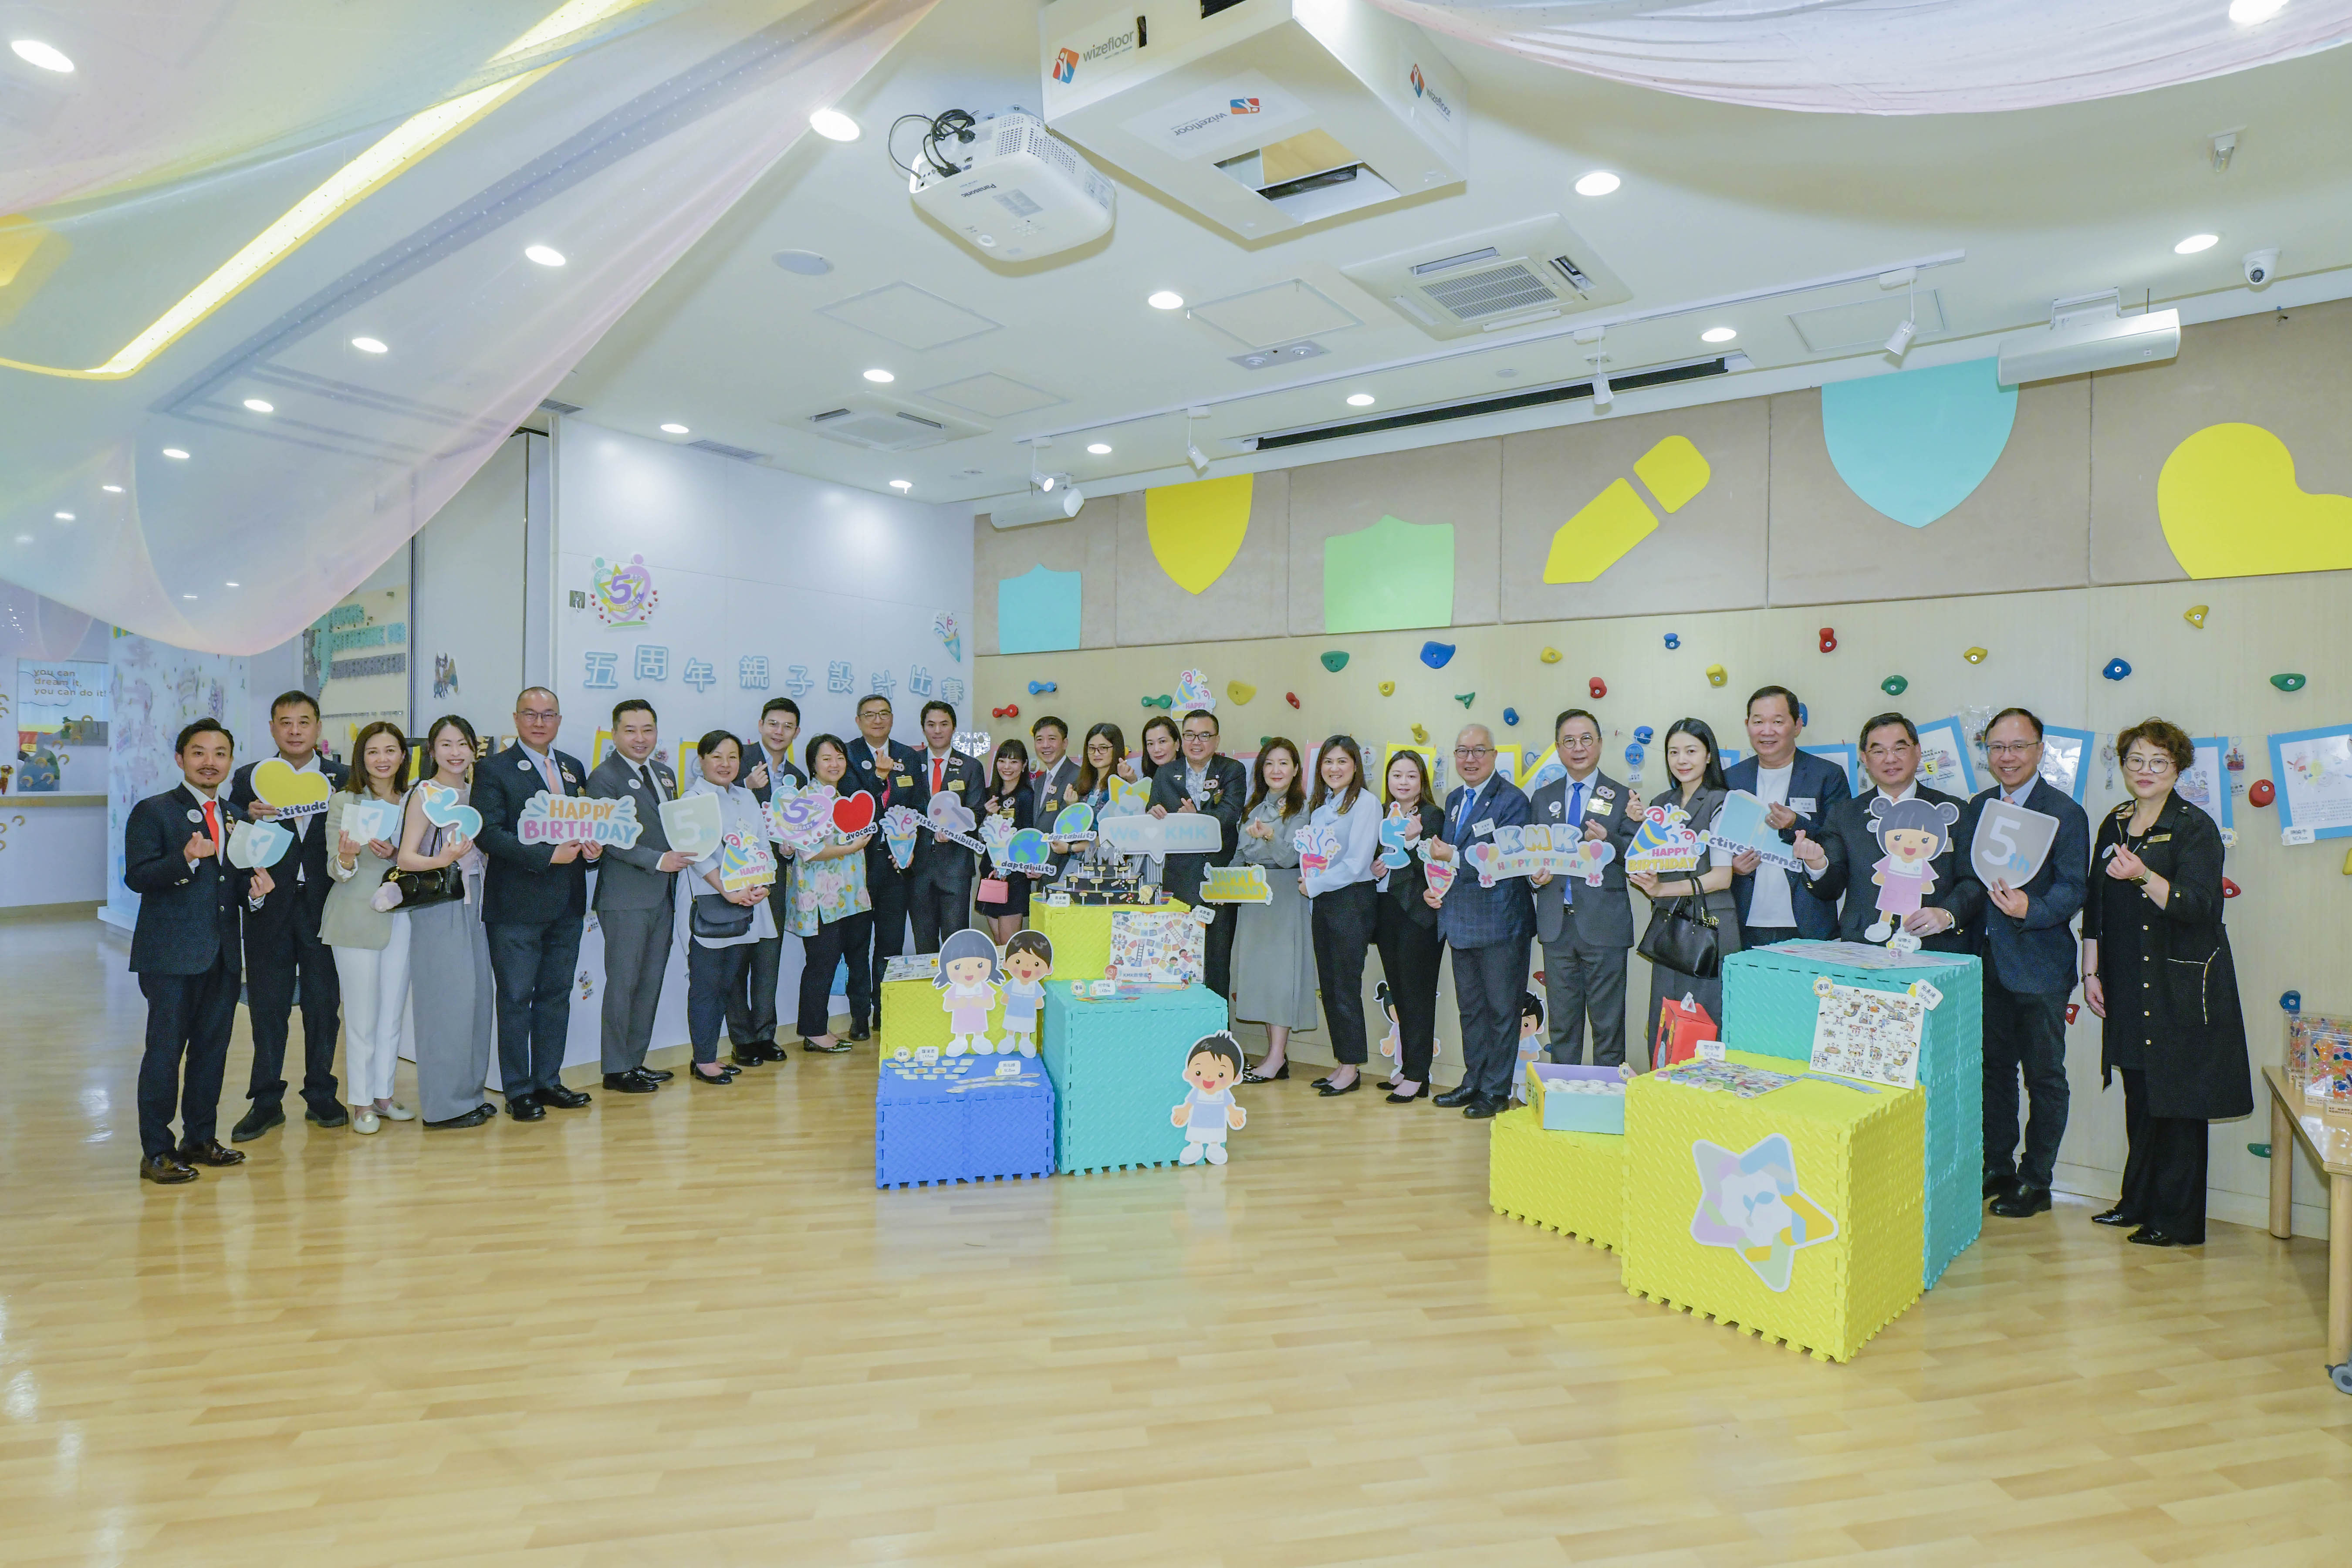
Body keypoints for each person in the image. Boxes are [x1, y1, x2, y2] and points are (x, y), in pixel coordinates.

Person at [2081, 718, 2251, 1247]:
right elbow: (2095, 902)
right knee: (2140, 1094)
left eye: (2158, 761)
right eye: (2135, 760)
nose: (2145, 770)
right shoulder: (2116, 820)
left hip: (2179, 982)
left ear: (2178, 769)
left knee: (2178, 1101)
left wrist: (2143, 875)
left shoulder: (2195, 826)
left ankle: (2177, 1221)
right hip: (2127, 978)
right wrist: (2090, 971)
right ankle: (2137, 1202)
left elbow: (2200, 906)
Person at [125, 718, 274, 1183]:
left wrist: (256, 895)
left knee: (212, 1052)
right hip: (170, 956)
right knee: (165, 1053)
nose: (210, 762)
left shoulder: (237, 816)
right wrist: (185, 859)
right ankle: (156, 1151)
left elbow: (235, 884)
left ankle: (200, 1139)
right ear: (180, 759)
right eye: (199, 753)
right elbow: (137, 877)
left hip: (223, 956)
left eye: (220, 754)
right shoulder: (154, 811)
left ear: (230, 761)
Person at [1957, 707, 2091, 1218]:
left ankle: (2037, 1181)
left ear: (2040, 750)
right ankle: (1998, 1167)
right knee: (1993, 1070)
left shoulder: (2065, 812)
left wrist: (2030, 909)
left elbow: (2074, 888)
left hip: (2039, 966)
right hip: (1985, 962)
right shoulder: (1979, 807)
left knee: (2044, 1077)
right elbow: (1969, 880)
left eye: (2018, 746)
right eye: (1997, 747)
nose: (2007, 757)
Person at [473, 687, 600, 1121]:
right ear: (516, 719)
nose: (540, 722)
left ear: (559, 720)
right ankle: (518, 1090)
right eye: (531, 714)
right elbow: (489, 834)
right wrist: (547, 856)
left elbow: (581, 826)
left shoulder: (573, 768)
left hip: (567, 903)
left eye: (549, 715)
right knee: (515, 999)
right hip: (515, 907)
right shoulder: (493, 769)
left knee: (556, 995)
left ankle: (548, 1080)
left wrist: (592, 849)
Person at [226, 690, 348, 1141]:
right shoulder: (250, 778)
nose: (295, 731)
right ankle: (265, 1101)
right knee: (267, 1007)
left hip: (325, 906)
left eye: (304, 722)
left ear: (318, 727)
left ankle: (321, 1093)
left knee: (323, 1005)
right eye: (285, 722)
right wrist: (247, 814)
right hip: (268, 907)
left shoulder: (342, 778)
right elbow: (233, 837)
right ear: (273, 728)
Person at [1794, 712, 1980, 952]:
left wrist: (1947, 914)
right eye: (1879, 751)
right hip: (1864, 946)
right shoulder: (1845, 814)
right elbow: (1831, 888)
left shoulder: (1954, 810)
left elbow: (1972, 879)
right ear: (1864, 758)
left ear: (1918, 751)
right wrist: (1817, 865)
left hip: (1938, 945)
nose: (1890, 759)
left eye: (1900, 749)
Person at [1425, 725, 1534, 1119]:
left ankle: (1495, 1090)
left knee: (1502, 1011)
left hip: (1502, 923)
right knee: (1471, 1010)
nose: (1470, 759)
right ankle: (1473, 1081)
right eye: (1462, 751)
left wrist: (1451, 859)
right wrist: (1434, 886)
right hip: (1459, 921)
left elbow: (1505, 859)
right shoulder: (1454, 799)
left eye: (1478, 751)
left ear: (1494, 756)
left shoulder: (1513, 800)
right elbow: (1445, 859)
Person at [587, 700, 694, 1094]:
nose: (640, 738)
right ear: (615, 734)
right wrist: (659, 860)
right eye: (630, 730)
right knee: (624, 983)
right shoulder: (604, 778)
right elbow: (610, 839)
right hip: (625, 898)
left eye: (647, 730)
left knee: (650, 982)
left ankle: (634, 1061)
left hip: (663, 895)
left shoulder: (664, 773)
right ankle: (616, 1069)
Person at [396, 716, 497, 1129]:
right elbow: (406, 857)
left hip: (478, 902)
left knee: (476, 1001)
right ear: (432, 751)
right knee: (445, 1005)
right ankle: (443, 1108)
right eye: (446, 744)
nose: (455, 753)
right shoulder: (425, 793)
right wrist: (443, 860)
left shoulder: (477, 793)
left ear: (474, 749)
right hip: (441, 903)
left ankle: (469, 1096)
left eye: (463, 744)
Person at [1627, 719, 1744, 1066]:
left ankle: (1703, 1096)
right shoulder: (1661, 803)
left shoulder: (1725, 802)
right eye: (1674, 752)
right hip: (1669, 926)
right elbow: (1653, 860)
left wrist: (1661, 888)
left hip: (1711, 928)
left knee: (1705, 1019)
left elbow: (1722, 877)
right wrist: (1638, 828)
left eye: (1691, 751)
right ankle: (1663, 1091)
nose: (1682, 760)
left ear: (1709, 756)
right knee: (1666, 1017)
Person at [1526, 709, 1639, 1068]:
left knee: (1608, 1026)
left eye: (1586, 739)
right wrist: (1534, 878)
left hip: (1604, 925)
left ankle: (1608, 1096)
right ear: (1558, 748)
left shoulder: (1622, 796)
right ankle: (1563, 1094)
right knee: (1562, 1027)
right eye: (1569, 741)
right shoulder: (1541, 798)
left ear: (1600, 744)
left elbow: (1638, 858)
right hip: (1556, 926)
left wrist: (1609, 841)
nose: (1578, 748)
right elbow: (1531, 857)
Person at [321, 722, 412, 1133]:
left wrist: (397, 854)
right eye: (373, 751)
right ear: (361, 758)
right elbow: (336, 871)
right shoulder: (345, 801)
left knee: (392, 1011)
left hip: (402, 917)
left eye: (390, 750)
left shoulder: (413, 801)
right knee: (361, 1015)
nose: (382, 759)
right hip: (355, 919)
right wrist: (347, 856)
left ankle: (384, 1095)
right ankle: (360, 1102)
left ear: (403, 756)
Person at [1723, 685, 1850, 947]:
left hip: (1808, 921)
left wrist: (1796, 824)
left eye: (1778, 722)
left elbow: (1839, 844)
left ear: (1798, 725)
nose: (1767, 731)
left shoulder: (1827, 775)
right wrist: (1731, 868)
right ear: (1747, 725)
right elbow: (1715, 845)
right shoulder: (1730, 779)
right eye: (1758, 722)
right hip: (1743, 921)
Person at [681, 730, 774, 1085]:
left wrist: (763, 883)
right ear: (702, 760)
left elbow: (762, 845)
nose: (725, 764)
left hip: (746, 902)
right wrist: (728, 889)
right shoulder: (692, 800)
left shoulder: (746, 797)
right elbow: (696, 855)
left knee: (727, 983)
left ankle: (709, 1055)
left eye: (733, 757)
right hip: (709, 901)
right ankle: (703, 1059)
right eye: (717, 757)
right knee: (706, 984)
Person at [1301, 735, 1383, 1097]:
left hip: (1352, 900)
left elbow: (1357, 863)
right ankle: (1344, 1062)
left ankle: (1351, 1068)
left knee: (1346, 985)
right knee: (1330, 986)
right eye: (1328, 762)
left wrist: (1314, 884)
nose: (1334, 769)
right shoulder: (1321, 809)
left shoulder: (1366, 803)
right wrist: (1313, 884)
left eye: (1342, 762)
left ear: (1355, 766)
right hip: (1323, 901)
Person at [1147, 709, 1250, 999]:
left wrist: (1198, 819)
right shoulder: (1165, 773)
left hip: (1219, 881)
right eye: (1190, 735)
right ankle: (1183, 1022)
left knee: (1217, 961)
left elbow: (1229, 814)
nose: (1196, 742)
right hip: (1179, 880)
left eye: (1204, 735)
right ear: (1182, 739)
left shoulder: (1232, 771)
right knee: (1178, 959)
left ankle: (1218, 1024)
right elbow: (1152, 818)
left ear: (1217, 740)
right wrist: (1153, 813)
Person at [1231, 739, 1315, 1083]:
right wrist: (1223, 884)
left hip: (1284, 897)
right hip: (1253, 901)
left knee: (1280, 978)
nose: (1276, 770)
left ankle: (1277, 1058)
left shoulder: (1302, 809)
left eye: (1283, 763)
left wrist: (1269, 837)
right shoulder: (1253, 806)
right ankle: (1275, 1055)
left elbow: (1291, 858)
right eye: (1269, 763)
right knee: (1262, 979)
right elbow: (1240, 854)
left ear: (1296, 769)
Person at [788, 733, 877, 1053]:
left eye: (840, 758)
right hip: (821, 901)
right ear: (813, 764)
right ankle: (813, 1032)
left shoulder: (841, 798)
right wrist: (851, 847)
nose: (835, 764)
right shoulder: (805, 801)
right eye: (826, 759)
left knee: (851, 961)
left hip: (851, 897)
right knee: (821, 965)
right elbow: (809, 852)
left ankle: (831, 1026)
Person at [844, 694, 920, 1037]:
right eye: (870, 715)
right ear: (858, 721)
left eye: (884, 714)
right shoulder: (846, 754)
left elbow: (918, 806)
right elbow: (852, 804)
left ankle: (885, 1012)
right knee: (857, 945)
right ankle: (859, 1016)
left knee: (890, 945)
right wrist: (878, 774)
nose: (878, 720)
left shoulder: (908, 756)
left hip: (896, 867)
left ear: (892, 718)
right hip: (857, 866)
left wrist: (909, 847)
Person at [736, 696, 807, 1066]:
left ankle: (765, 1035)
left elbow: (798, 830)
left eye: (787, 726)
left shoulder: (799, 778)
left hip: (775, 878)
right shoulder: (738, 760)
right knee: (736, 960)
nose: (779, 732)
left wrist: (791, 849)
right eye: (773, 724)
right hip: (736, 875)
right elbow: (715, 807)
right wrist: (744, 786)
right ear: (761, 725)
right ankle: (742, 1039)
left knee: (768, 957)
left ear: (797, 732)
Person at [1372, 749, 1446, 1103]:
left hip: (1418, 916)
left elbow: (1435, 868)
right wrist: (1375, 868)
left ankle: (1419, 1074)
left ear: (1422, 781)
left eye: (1411, 776)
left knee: (1418, 996)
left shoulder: (1431, 815)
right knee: (1400, 994)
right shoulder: (1383, 814)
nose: (1403, 782)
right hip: (1387, 911)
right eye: (1397, 775)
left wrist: (1415, 842)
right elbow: (1380, 858)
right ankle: (1408, 1067)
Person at [908, 700, 987, 952]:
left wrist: (954, 830)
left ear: (954, 727)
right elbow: (902, 809)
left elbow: (977, 811)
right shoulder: (910, 763)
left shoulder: (971, 767)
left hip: (956, 867)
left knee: (956, 943)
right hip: (918, 867)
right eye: (931, 725)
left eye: (944, 724)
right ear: (923, 728)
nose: (938, 730)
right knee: (924, 944)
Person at [976, 737, 1035, 943]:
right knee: (999, 940)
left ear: (1024, 765)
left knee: (1010, 943)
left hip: (1015, 877)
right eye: (1002, 761)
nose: (1007, 767)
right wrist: (987, 816)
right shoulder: (989, 795)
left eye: (1014, 761)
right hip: (990, 874)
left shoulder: (1028, 797)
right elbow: (980, 838)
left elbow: (1029, 838)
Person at [1030, 716, 1078, 811]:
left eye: (1052, 739)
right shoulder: (1039, 781)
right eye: (1039, 740)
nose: (1045, 745)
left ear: (1065, 743)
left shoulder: (1077, 777)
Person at [1136, 714, 1181, 782]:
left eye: (1162, 741)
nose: (1157, 750)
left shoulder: (1190, 776)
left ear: (1177, 744)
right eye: (1151, 744)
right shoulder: (1148, 779)